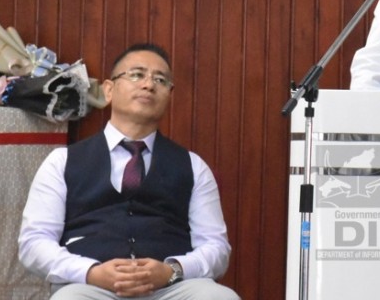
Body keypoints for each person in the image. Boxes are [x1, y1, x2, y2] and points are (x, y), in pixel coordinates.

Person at [18, 43, 239, 300]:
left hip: (170, 289)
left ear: (169, 94)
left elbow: (216, 247)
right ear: (109, 90)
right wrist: (91, 272)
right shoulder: (62, 161)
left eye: (160, 80)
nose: (148, 85)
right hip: (90, 287)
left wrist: (172, 270)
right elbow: (34, 243)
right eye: (136, 75)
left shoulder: (193, 166)